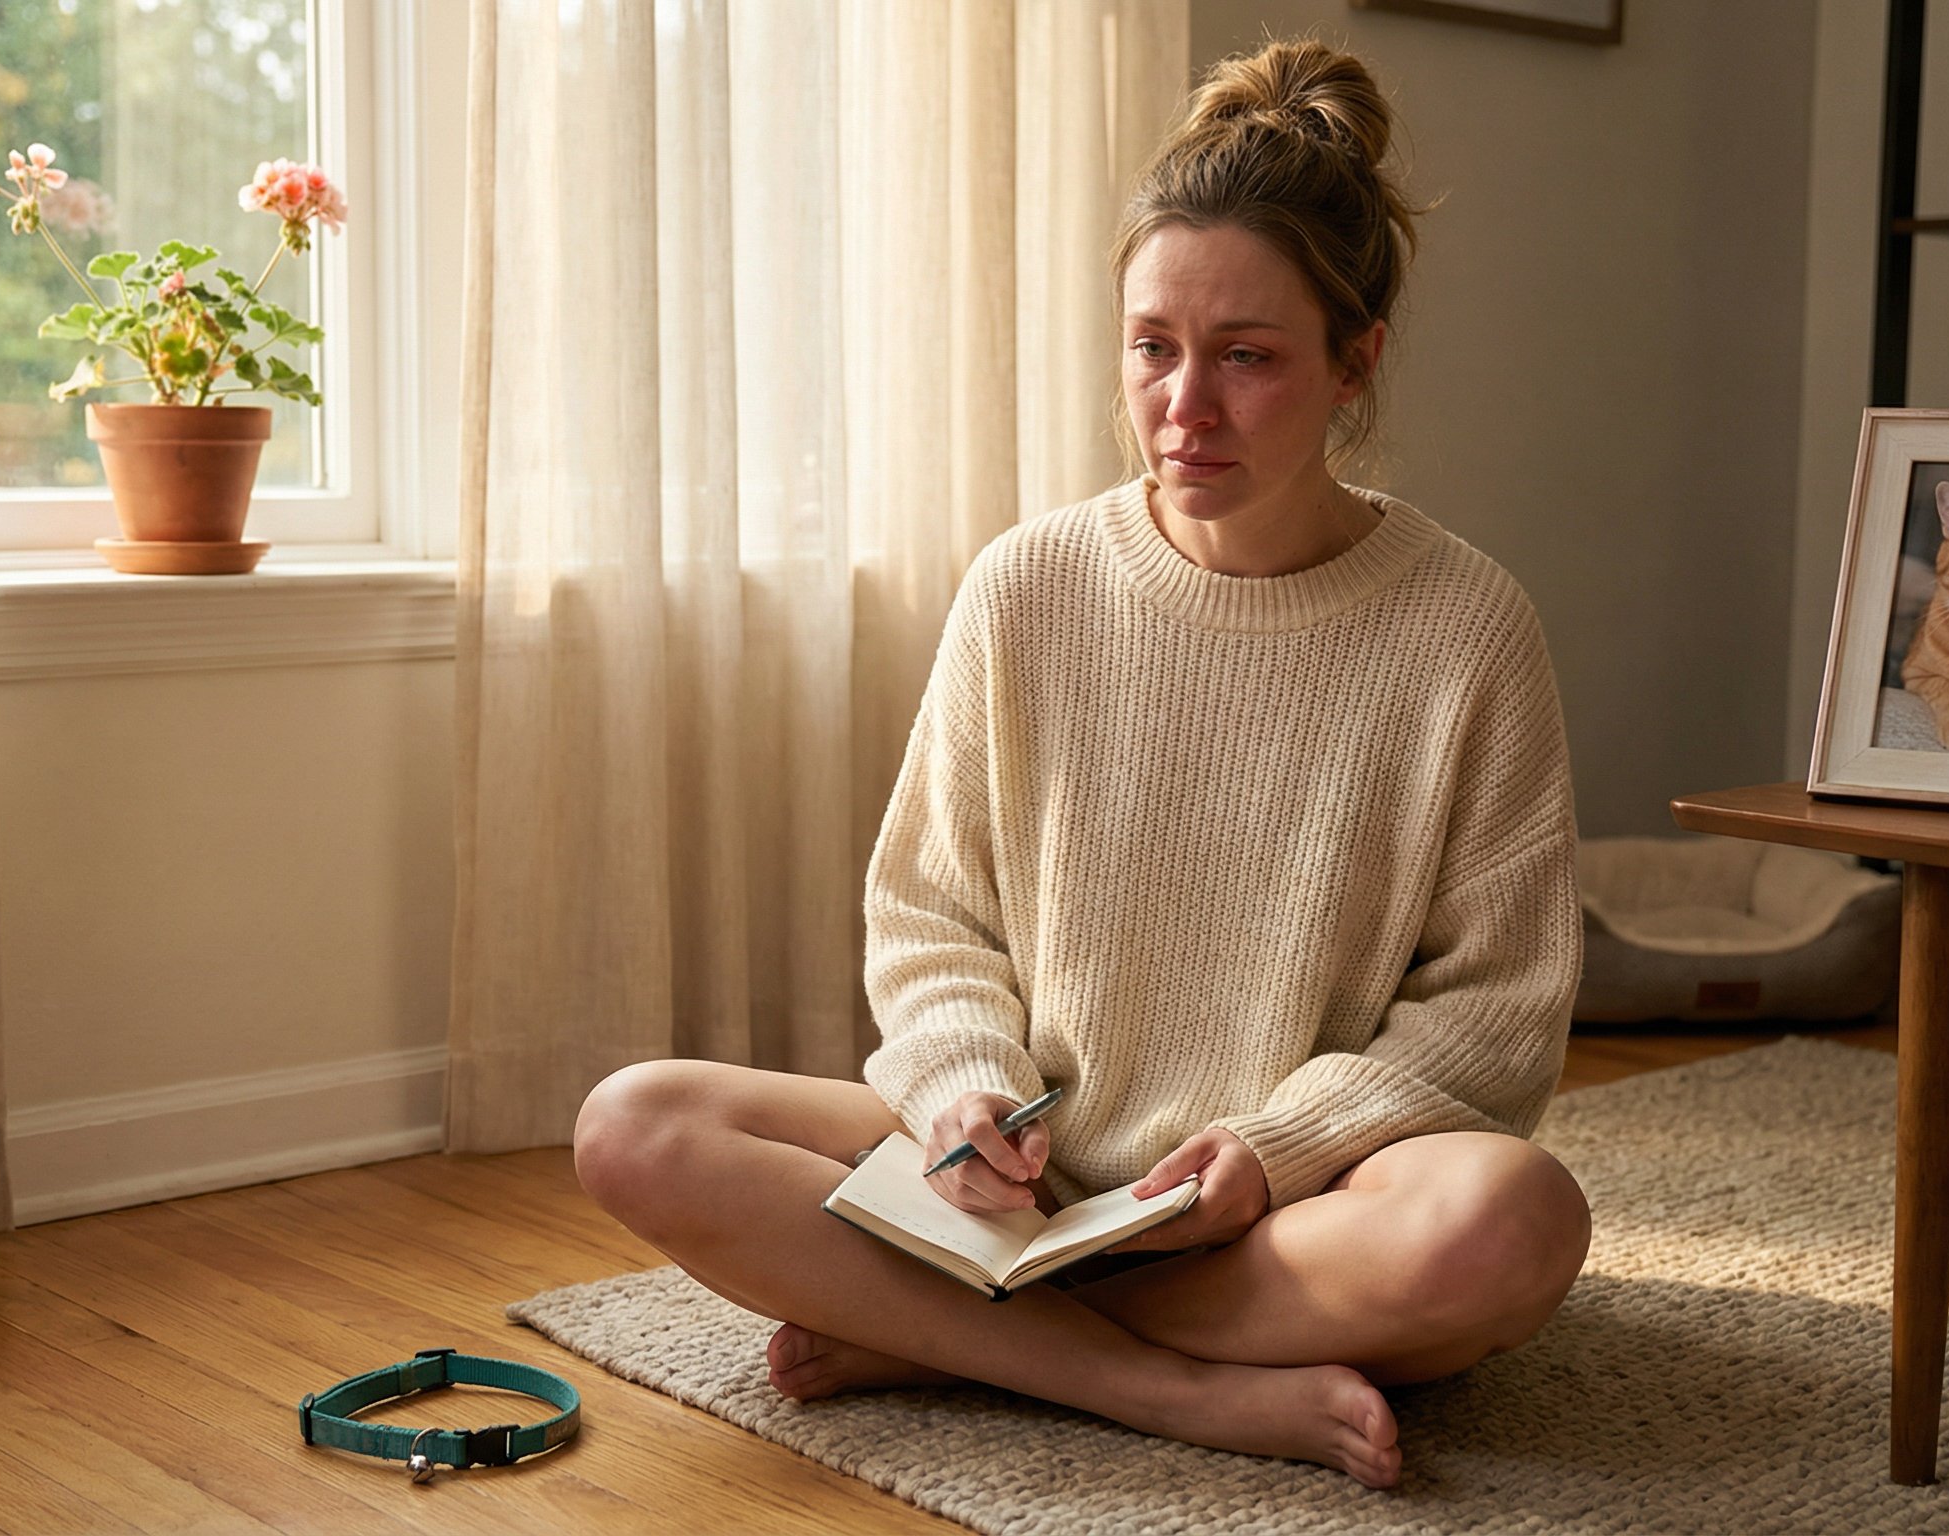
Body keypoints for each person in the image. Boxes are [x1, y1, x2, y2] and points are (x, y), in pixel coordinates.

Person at [571, 37, 1589, 1492]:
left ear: (1354, 360)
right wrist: (965, 1093)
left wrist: (1277, 1149)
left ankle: (937, 1339)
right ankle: (1162, 1389)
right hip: (1020, 1184)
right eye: (1152, 348)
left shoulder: (1468, 627)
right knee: (638, 1126)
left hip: (1283, 1208)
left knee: (1512, 1225)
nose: (1187, 408)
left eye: (1247, 356)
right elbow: (930, 915)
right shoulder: (1030, 585)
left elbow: (1493, 1020)